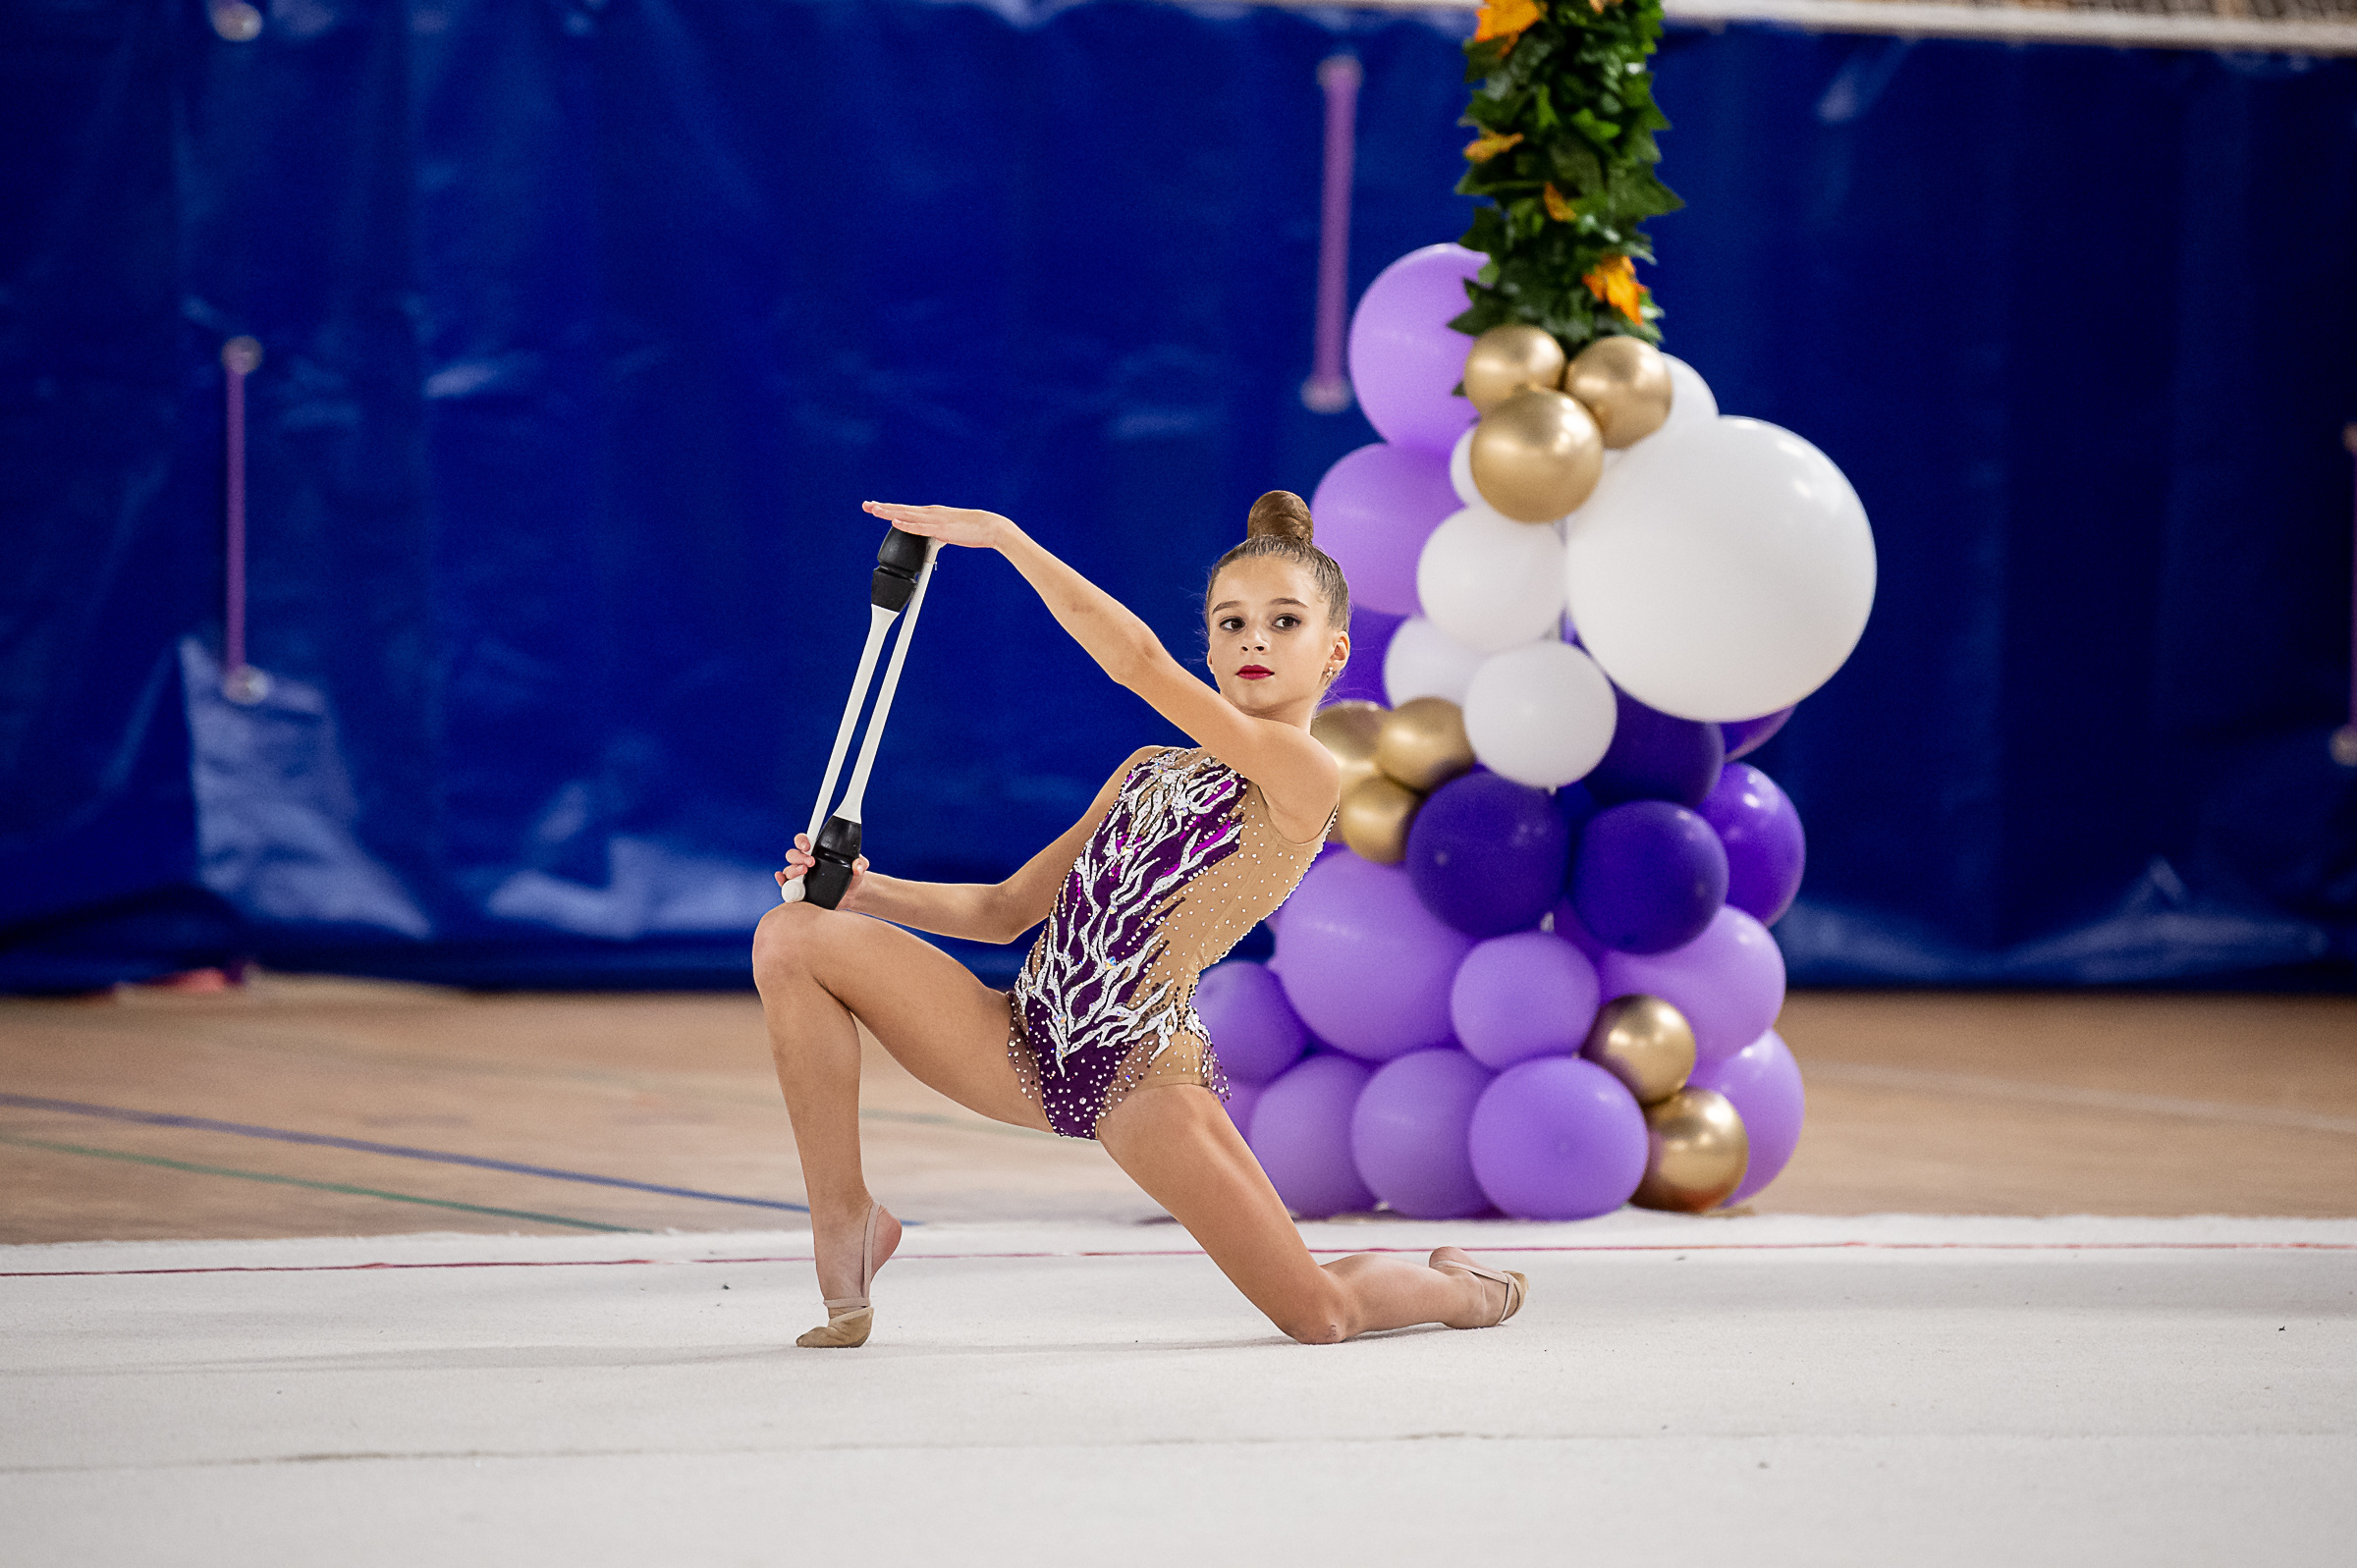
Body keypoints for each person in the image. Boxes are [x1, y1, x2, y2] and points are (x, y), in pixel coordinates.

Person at [753, 491, 1527, 1348]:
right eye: (1231, 624)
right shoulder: (1147, 771)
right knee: (792, 937)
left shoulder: (1302, 776)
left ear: (1332, 652)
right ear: (1212, 645)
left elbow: (1137, 664)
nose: (1255, 640)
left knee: (1317, 1312)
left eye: (1283, 621)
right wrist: (864, 891)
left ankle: (1460, 1288)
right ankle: (847, 1216)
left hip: (1140, 1075)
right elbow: (1005, 910)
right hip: (1017, 1038)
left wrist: (1008, 538)